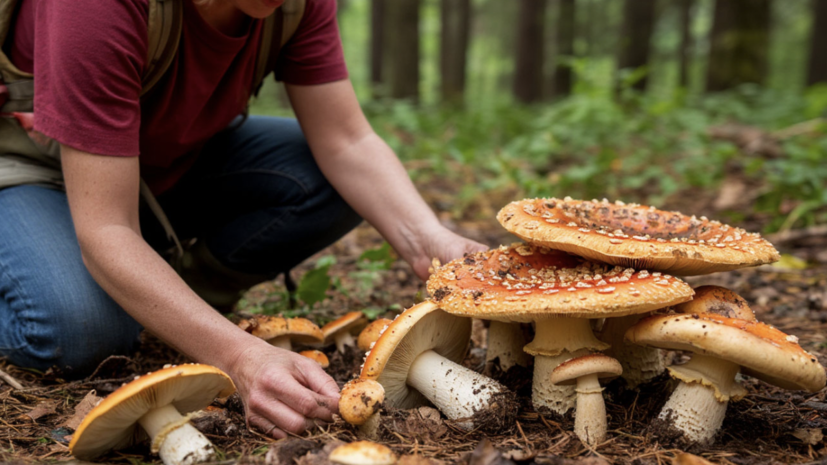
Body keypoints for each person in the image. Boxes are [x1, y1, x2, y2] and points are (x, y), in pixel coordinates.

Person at [0, 0, 487, 439]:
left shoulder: (296, 6)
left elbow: (347, 142)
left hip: (164, 162)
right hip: (35, 166)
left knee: (322, 180)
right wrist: (239, 356)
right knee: (79, 330)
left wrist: (430, 239)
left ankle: (163, 297)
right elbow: (107, 227)